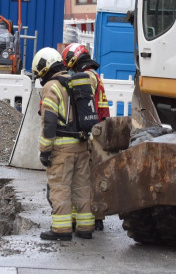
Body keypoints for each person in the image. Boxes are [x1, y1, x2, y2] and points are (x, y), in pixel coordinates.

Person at [33, 47, 96, 241]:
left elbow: (50, 122)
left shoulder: (51, 87)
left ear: (45, 68)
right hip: (82, 144)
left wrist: (44, 150)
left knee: (60, 188)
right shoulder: (74, 82)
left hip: (62, 148)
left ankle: (61, 231)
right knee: (82, 188)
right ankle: (85, 228)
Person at [62, 43, 110, 231]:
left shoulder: (87, 77)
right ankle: (95, 217)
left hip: (92, 134)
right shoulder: (95, 76)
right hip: (99, 131)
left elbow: (83, 107)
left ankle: (91, 217)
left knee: (84, 178)